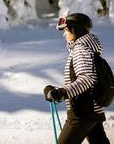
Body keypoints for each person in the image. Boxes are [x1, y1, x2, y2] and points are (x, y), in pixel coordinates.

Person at [44, 13, 110, 144]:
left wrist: (62, 93)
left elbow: (87, 78)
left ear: (75, 30)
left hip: (82, 112)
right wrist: (57, 91)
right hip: (91, 110)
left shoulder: (81, 49)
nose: (64, 34)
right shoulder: (87, 49)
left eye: (66, 30)